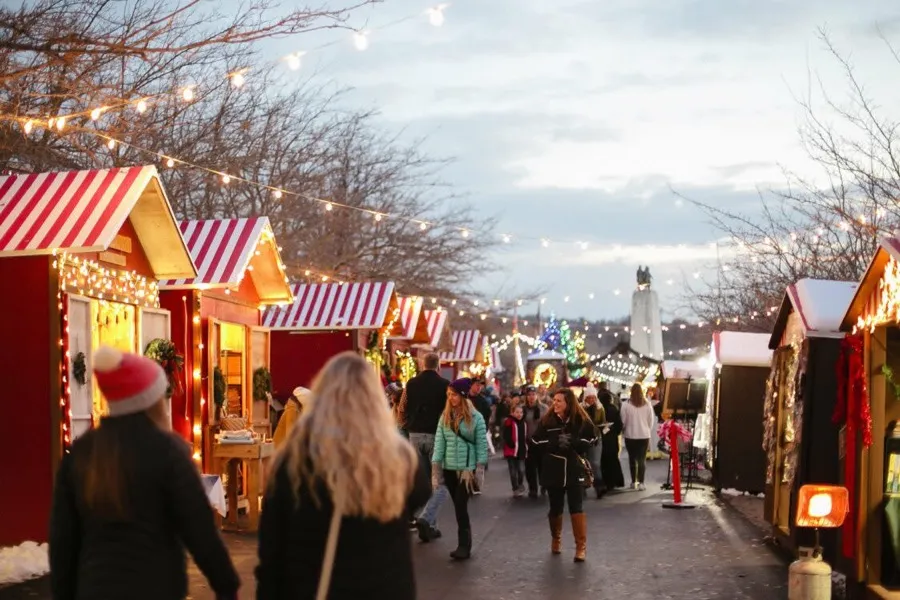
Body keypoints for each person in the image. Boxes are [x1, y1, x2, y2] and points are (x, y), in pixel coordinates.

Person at [49, 346, 239, 600]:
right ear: (152, 401)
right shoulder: (168, 452)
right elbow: (200, 531)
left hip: (94, 588)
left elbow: (63, 542)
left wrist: (64, 592)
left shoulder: (82, 454)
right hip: (156, 587)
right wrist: (227, 586)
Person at [256, 352, 431, 599]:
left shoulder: (293, 462)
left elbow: (271, 554)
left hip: (312, 587)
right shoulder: (398, 460)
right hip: (385, 588)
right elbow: (420, 492)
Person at [530, 387, 598, 563]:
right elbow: (535, 441)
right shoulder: (547, 420)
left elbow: (593, 439)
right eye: (554, 400)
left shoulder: (581, 420)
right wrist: (553, 443)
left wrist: (574, 442)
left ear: (568, 403)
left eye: (559, 401)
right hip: (553, 469)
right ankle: (556, 539)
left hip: (574, 469)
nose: (555, 403)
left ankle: (581, 547)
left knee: (577, 507)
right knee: (555, 508)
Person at [432, 378, 488, 560]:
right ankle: (463, 544)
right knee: (458, 506)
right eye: (449, 394)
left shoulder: (476, 418)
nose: (451, 398)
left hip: (467, 470)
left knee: (461, 505)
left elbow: (481, 444)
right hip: (449, 468)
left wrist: (479, 470)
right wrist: (436, 470)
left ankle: (464, 545)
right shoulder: (445, 417)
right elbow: (439, 444)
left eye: (454, 395)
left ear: (463, 396)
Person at [399, 352, 450, 543]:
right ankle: (427, 519)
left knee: (423, 479)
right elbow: (448, 411)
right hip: (436, 434)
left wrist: (405, 425)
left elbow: (402, 407)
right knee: (439, 482)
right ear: (438, 366)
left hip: (415, 434)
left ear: (422, 364)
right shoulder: (445, 385)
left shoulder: (411, 384)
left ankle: (431, 526)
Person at [620, 383, 656, 490]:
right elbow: (651, 421)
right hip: (644, 435)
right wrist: (646, 429)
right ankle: (641, 483)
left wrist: (624, 431)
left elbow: (623, 421)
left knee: (632, 459)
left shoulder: (625, 405)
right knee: (642, 459)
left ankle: (633, 482)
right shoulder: (648, 404)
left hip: (630, 435)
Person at [597, 381, 625, 492]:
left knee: (604, 461)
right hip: (612, 438)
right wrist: (616, 432)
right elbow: (619, 424)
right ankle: (617, 481)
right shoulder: (614, 409)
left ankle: (606, 482)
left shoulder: (599, 410)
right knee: (614, 459)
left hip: (602, 439)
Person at [522, 385, 547, 498]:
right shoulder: (523, 409)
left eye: (533, 394)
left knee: (542, 465)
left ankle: (544, 484)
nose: (531, 397)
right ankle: (533, 488)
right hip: (528, 441)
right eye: (529, 395)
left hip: (542, 441)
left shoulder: (544, 408)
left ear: (537, 396)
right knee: (530, 467)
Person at [582, 385, 607, 499]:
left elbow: (603, 422)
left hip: (596, 438)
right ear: (585, 398)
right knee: (583, 463)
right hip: (583, 439)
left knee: (595, 463)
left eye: (593, 397)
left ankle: (599, 487)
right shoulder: (580, 408)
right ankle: (582, 486)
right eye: (589, 397)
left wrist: (604, 428)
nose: (592, 400)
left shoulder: (600, 408)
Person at [502, 403, 528, 497]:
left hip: (521, 450)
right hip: (511, 451)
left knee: (521, 470)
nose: (519, 414)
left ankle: (520, 483)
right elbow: (505, 435)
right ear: (512, 413)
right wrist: (510, 443)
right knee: (513, 472)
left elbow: (525, 436)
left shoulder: (524, 423)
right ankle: (515, 488)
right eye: (517, 412)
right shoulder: (509, 422)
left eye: (521, 412)